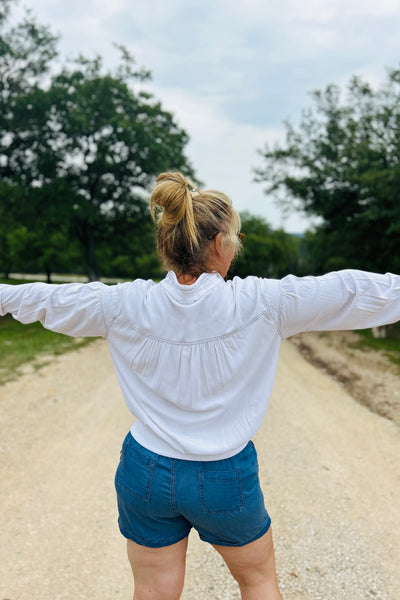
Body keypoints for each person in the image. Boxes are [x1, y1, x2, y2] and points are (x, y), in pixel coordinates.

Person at [1, 171, 400, 600]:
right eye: (236, 235)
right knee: (258, 582)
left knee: (153, 591)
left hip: (145, 471)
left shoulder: (123, 303)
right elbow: (351, 291)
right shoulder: (264, 302)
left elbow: (40, 299)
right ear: (218, 245)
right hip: (223, 473)